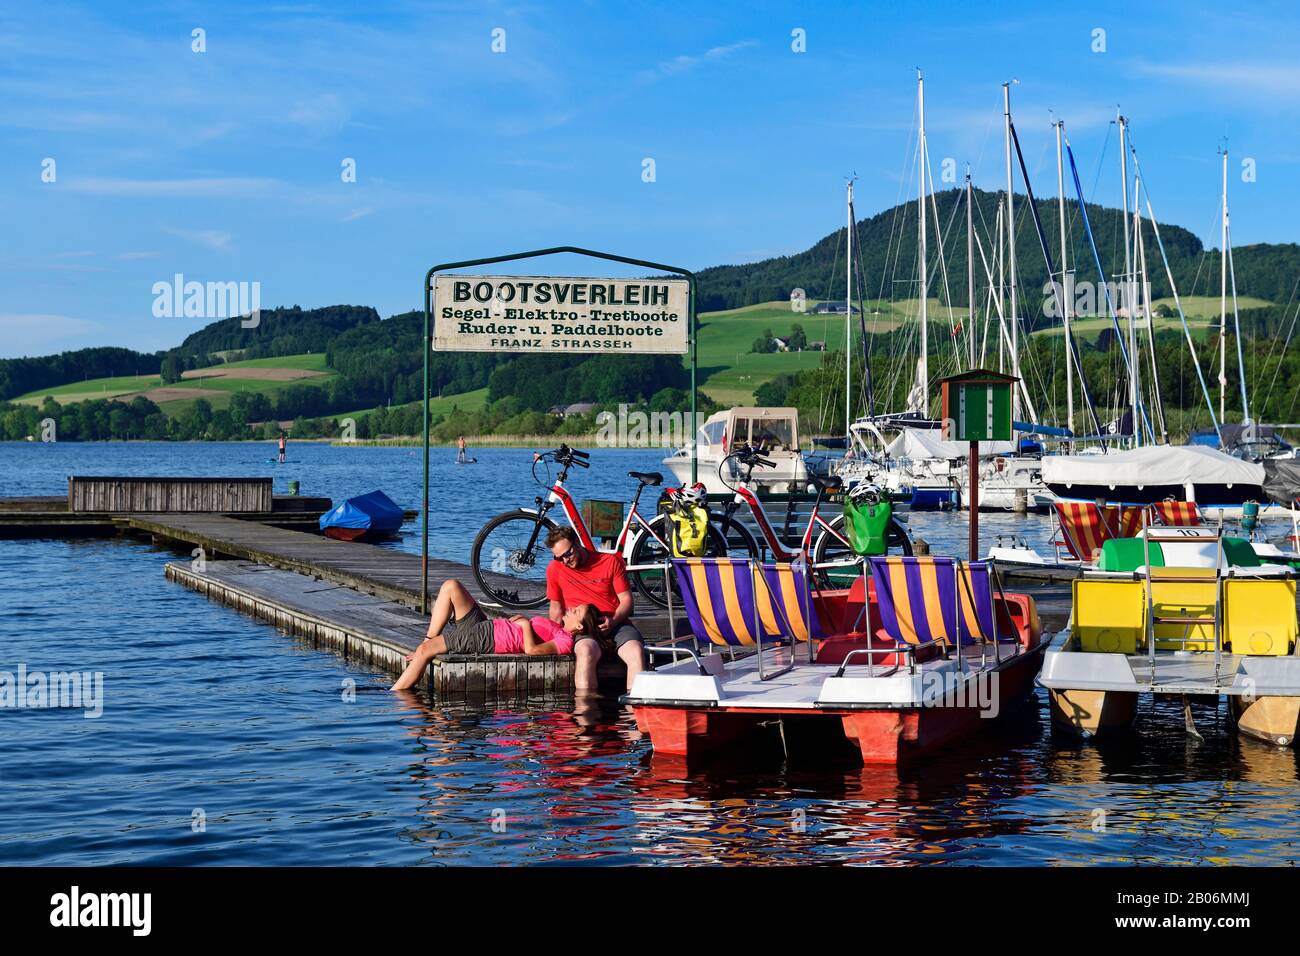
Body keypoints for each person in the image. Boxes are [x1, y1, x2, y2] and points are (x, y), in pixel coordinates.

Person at [391, 578, 596, 691]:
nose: (572, 608)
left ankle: (395, 697)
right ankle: (425, 641)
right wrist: (522, 621)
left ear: (579, 627)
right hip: (488, 626)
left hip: (489, 639)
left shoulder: (565, 641)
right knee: (451, 586)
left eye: (577, 611)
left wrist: (525, 626)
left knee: (427, 651)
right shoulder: (558, 629)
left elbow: (532, 651)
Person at [544, 527, 644, 691]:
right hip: (583, 627)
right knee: (585, 651)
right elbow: (556, 609)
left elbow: (626, 600)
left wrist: (614, 621)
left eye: (568, 554)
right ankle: (585, 711)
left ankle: (637, 708)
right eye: (559, 557)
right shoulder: (555, 569)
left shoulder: (609, 561)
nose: (565, 561)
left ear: (577, 542)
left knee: (636, 651)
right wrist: (554, 636)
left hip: (615, 622)